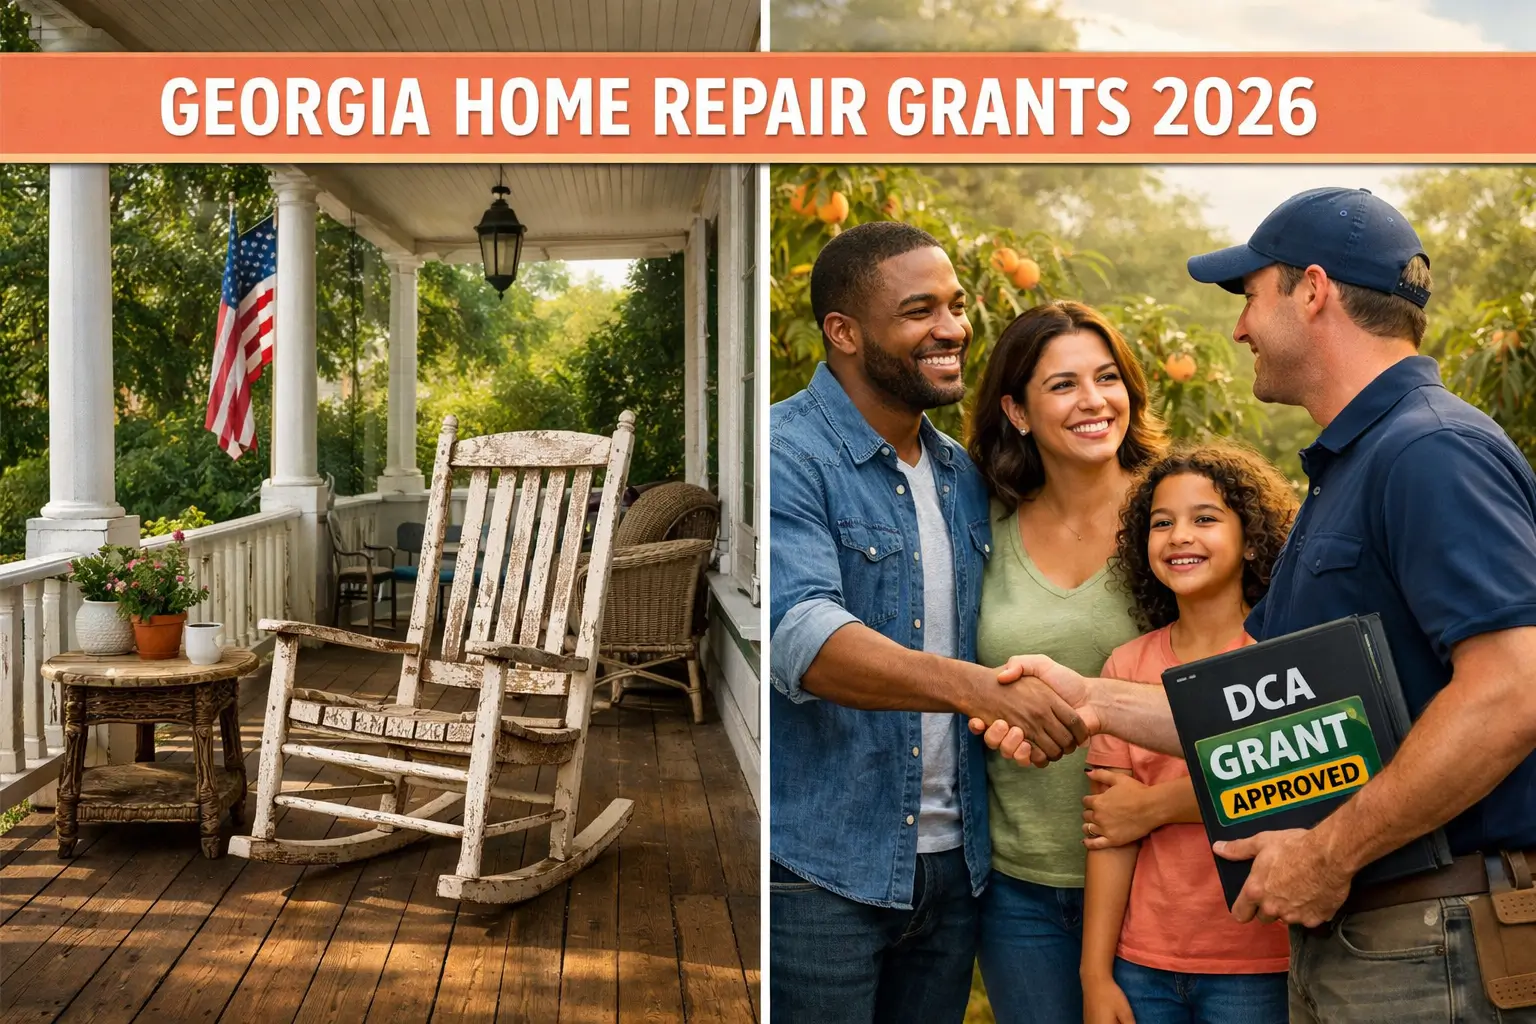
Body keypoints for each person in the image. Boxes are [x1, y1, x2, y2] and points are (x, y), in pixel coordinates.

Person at [979, 187, 1536, 1022]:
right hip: (1374, 939)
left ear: (1312, 290)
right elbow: (1259, 715)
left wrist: (1329, 852)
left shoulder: (1430, 450)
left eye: (1250, 296)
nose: (1239, 328)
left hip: (1435, 934)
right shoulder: (1346, 475)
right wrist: (1089, 699)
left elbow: (1511, 690)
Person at [769, 220, 1089, 1024]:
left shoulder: (962, 473)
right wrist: (985, 692)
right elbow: (803, 640)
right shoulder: (784, 453)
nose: (951, 328)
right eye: (919, 311)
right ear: (844, 332)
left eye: (952, 305)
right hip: (821, 872)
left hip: (954, 872)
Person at [964, 300, 1168, 1023]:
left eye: (1107, 378)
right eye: (1063, 385)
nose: (1093, 401)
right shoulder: (981, 523)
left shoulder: (1176, 518)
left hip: (1165, 869)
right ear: (1017, 411)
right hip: (1020, 883)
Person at [1081, 443, 1296, 1024]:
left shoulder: (1279, 659)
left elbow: (1288, 786)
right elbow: (1110, 831)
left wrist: (1153, 805)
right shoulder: (1125, 668)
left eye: (1205, 519)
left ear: (1251, 538)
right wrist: (1095, 974)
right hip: (1143, 963)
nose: (1180, 535)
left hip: (1259, 962)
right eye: (1162, 522)